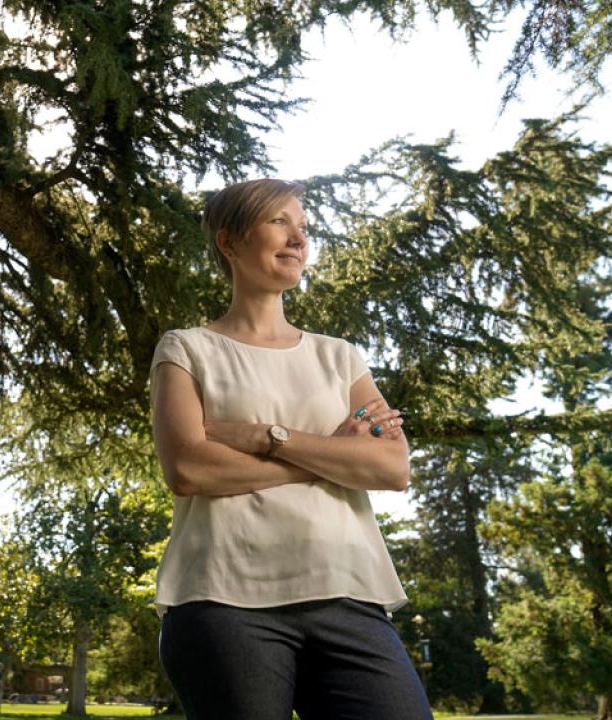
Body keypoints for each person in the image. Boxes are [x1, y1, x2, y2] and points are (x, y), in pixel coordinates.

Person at [149, 178, 433, 720]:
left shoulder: (340, 358)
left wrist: (267, 439)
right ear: (230, 243)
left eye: (303, 227)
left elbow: (392, 467)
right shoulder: (187, 349)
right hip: (223, 600)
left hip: (350, 592)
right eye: (279, 222)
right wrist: (333, 460)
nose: (298, 238)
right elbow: (187, 468)